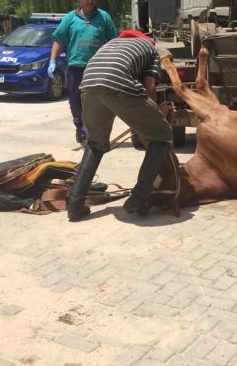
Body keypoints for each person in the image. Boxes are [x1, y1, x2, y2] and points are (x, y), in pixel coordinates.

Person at [66, 30, 174, 222]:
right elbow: (149, 86)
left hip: (88, 85)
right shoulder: (150, 48)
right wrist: (154, 118)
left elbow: (106, 78)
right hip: (116, 83)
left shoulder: (111, 44)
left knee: (95, 144)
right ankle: (139, 199)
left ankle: (74, 204)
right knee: (163, 134)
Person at [48, 0, 117, 144]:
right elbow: (58, 40)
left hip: (98, 67)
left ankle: (89, 133)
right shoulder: (70, 18)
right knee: (75, 102)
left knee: (95, 102)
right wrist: (52, 60)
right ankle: (80, 127)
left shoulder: (104, 17)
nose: (90, 1)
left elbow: (114, 41)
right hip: (76, 68)